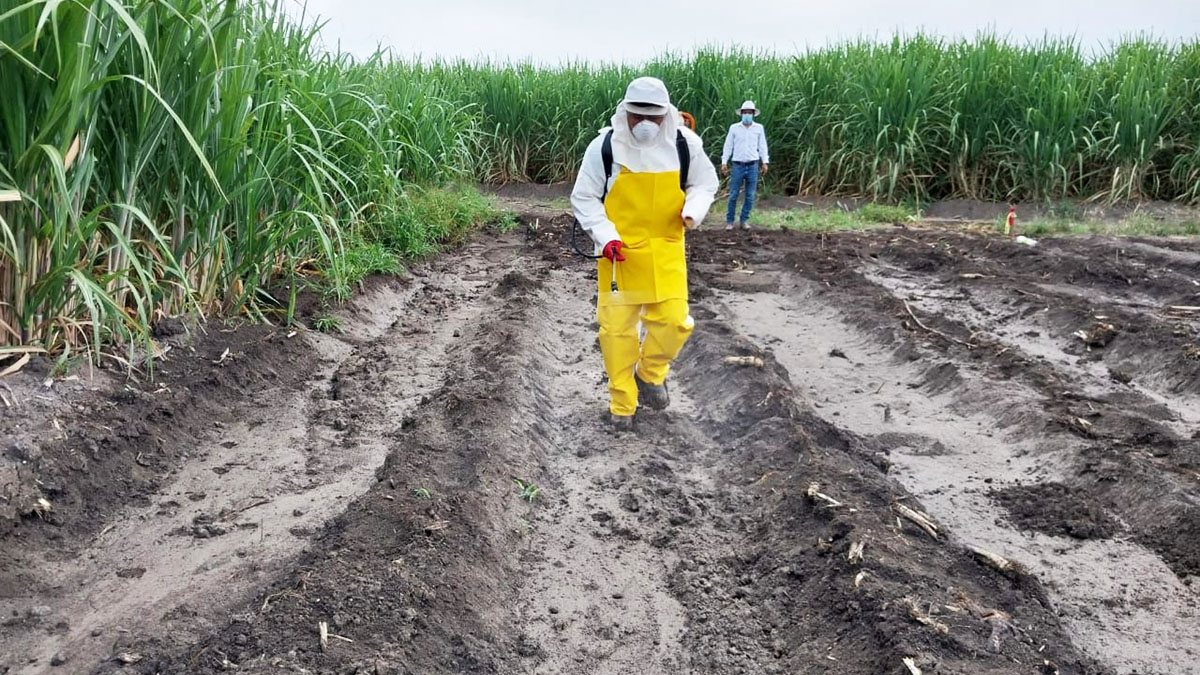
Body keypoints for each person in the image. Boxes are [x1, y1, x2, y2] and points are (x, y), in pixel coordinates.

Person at [570, 77, 719, 430]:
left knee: (675, 322)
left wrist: (694, 210)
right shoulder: (605, 147)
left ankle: (649, 373)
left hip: (666, 249)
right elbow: (584, 197)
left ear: (666, 114)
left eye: (654, 117)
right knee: (616, 333)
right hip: (618, 254)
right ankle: (622, 406)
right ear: (626, 112)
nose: (646, 124)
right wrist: (605, 236)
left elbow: (705, 182)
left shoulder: (685, 144)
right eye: (638, 116)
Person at [720, 100, 770, 230]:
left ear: (753, 114)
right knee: (733, 194)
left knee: (750, 195)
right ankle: (730, 221)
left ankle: (744, 220)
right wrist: (724, 161)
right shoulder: (734, 128)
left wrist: (765, 161)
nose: (747, 115)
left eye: (749, 112)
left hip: (753, 165)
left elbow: (762, 146)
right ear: (741, 113)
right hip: (738, 165)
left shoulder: (758, 128)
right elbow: (728, 145)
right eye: (745, 112)